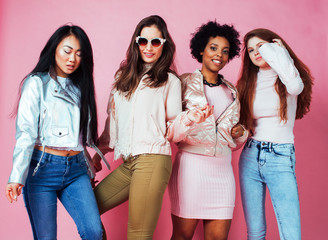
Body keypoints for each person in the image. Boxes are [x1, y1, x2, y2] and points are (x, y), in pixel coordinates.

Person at [92, 15, 211, 240]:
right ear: (136, 43)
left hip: (153, 159)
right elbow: (112, 124)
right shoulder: (122, 78)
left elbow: (172, 129)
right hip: (129, 161)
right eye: (143, 41)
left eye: (155, 42)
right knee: (87, 211)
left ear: (164, 44)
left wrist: (190, 118)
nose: (149, 47)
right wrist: (98, 155)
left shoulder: (169, 81)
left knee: (138, 234)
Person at [5, 24, 109, 240]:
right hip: (42, 170)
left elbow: (80, 138)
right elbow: (25, 133)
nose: (72, 58)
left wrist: (89, 169)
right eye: (67, 51)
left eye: (79, 54)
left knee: (94, 232)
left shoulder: (81, 87)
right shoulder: (36, 84)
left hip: (76, 170)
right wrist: (16, 176)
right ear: (54, 50)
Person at [168, 21, 248, 240]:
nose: (219, 55)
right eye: (213, 48)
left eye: (225, 51)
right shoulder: (183, 83)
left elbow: (235, 141)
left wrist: (240, 133)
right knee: (182, 236)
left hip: (222, 171)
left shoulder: (231, 91)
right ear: (201, 49)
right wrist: (189, 119)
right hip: (190, 169)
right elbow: (171, 130)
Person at [236, 28, 313, 239]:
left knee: (290, 234)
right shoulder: (248, 83)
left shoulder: (286, 76)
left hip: (280, 156)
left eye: (261, 46)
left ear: (274, 46)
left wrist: (280, 53)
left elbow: (296, 86)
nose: (256, 53)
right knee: (255, 232)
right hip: (250, 155)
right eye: (250, 50)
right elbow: (244, 123)